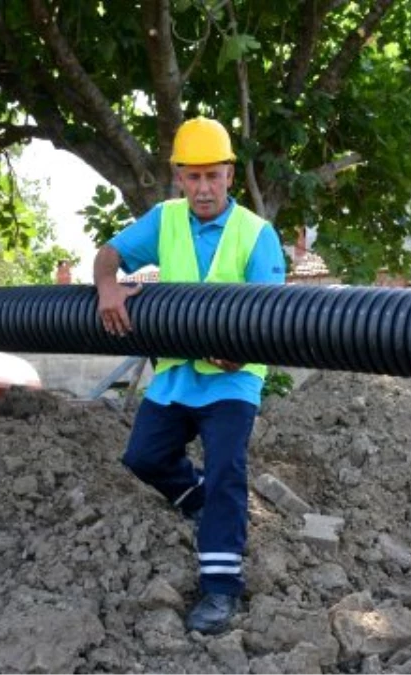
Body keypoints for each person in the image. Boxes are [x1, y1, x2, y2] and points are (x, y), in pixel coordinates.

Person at [93, 117, 286, 635]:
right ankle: (202, 506)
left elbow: (275, 317)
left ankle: (222, 590)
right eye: (192, 177)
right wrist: (108, 286)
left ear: (229, 176)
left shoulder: (256, 234)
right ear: (179, 177)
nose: (203, 188)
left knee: (226, 467)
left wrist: (241, 354)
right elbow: (109, 253)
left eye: (213, 176)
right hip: (178, 373)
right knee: (142, 456)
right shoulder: (165, 220)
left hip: (232, 380)